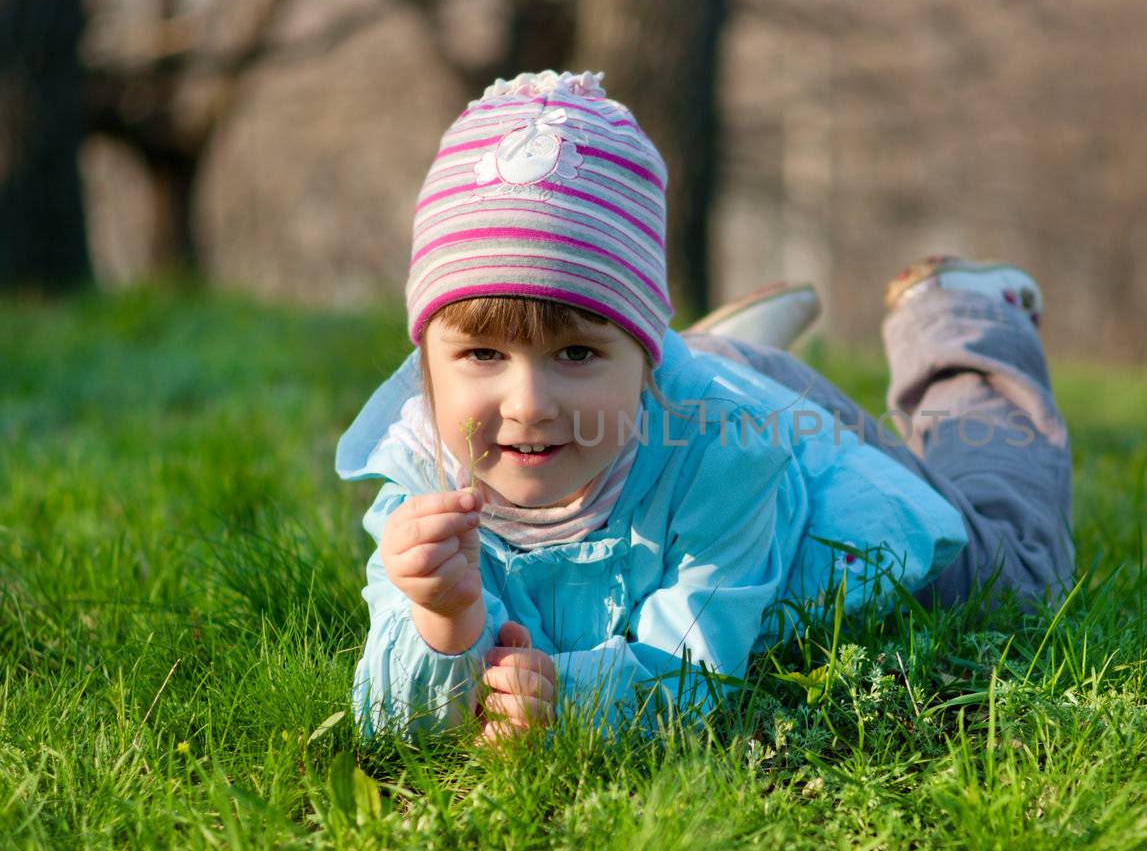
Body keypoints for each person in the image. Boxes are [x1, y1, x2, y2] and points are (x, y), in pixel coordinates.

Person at [335, 70, 1073, 741]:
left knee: (1010, 572)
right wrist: (444, 621)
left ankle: (964, 318)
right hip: (670, 389)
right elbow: (397, 725)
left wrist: (574, 703)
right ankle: (698, 354)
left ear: (642, 348)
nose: (527, 405)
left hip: (773, 442)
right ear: (425, 364)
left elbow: (695, 668)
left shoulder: (730, 462)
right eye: (484, 354)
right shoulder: (420, 475)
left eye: (577, 352)